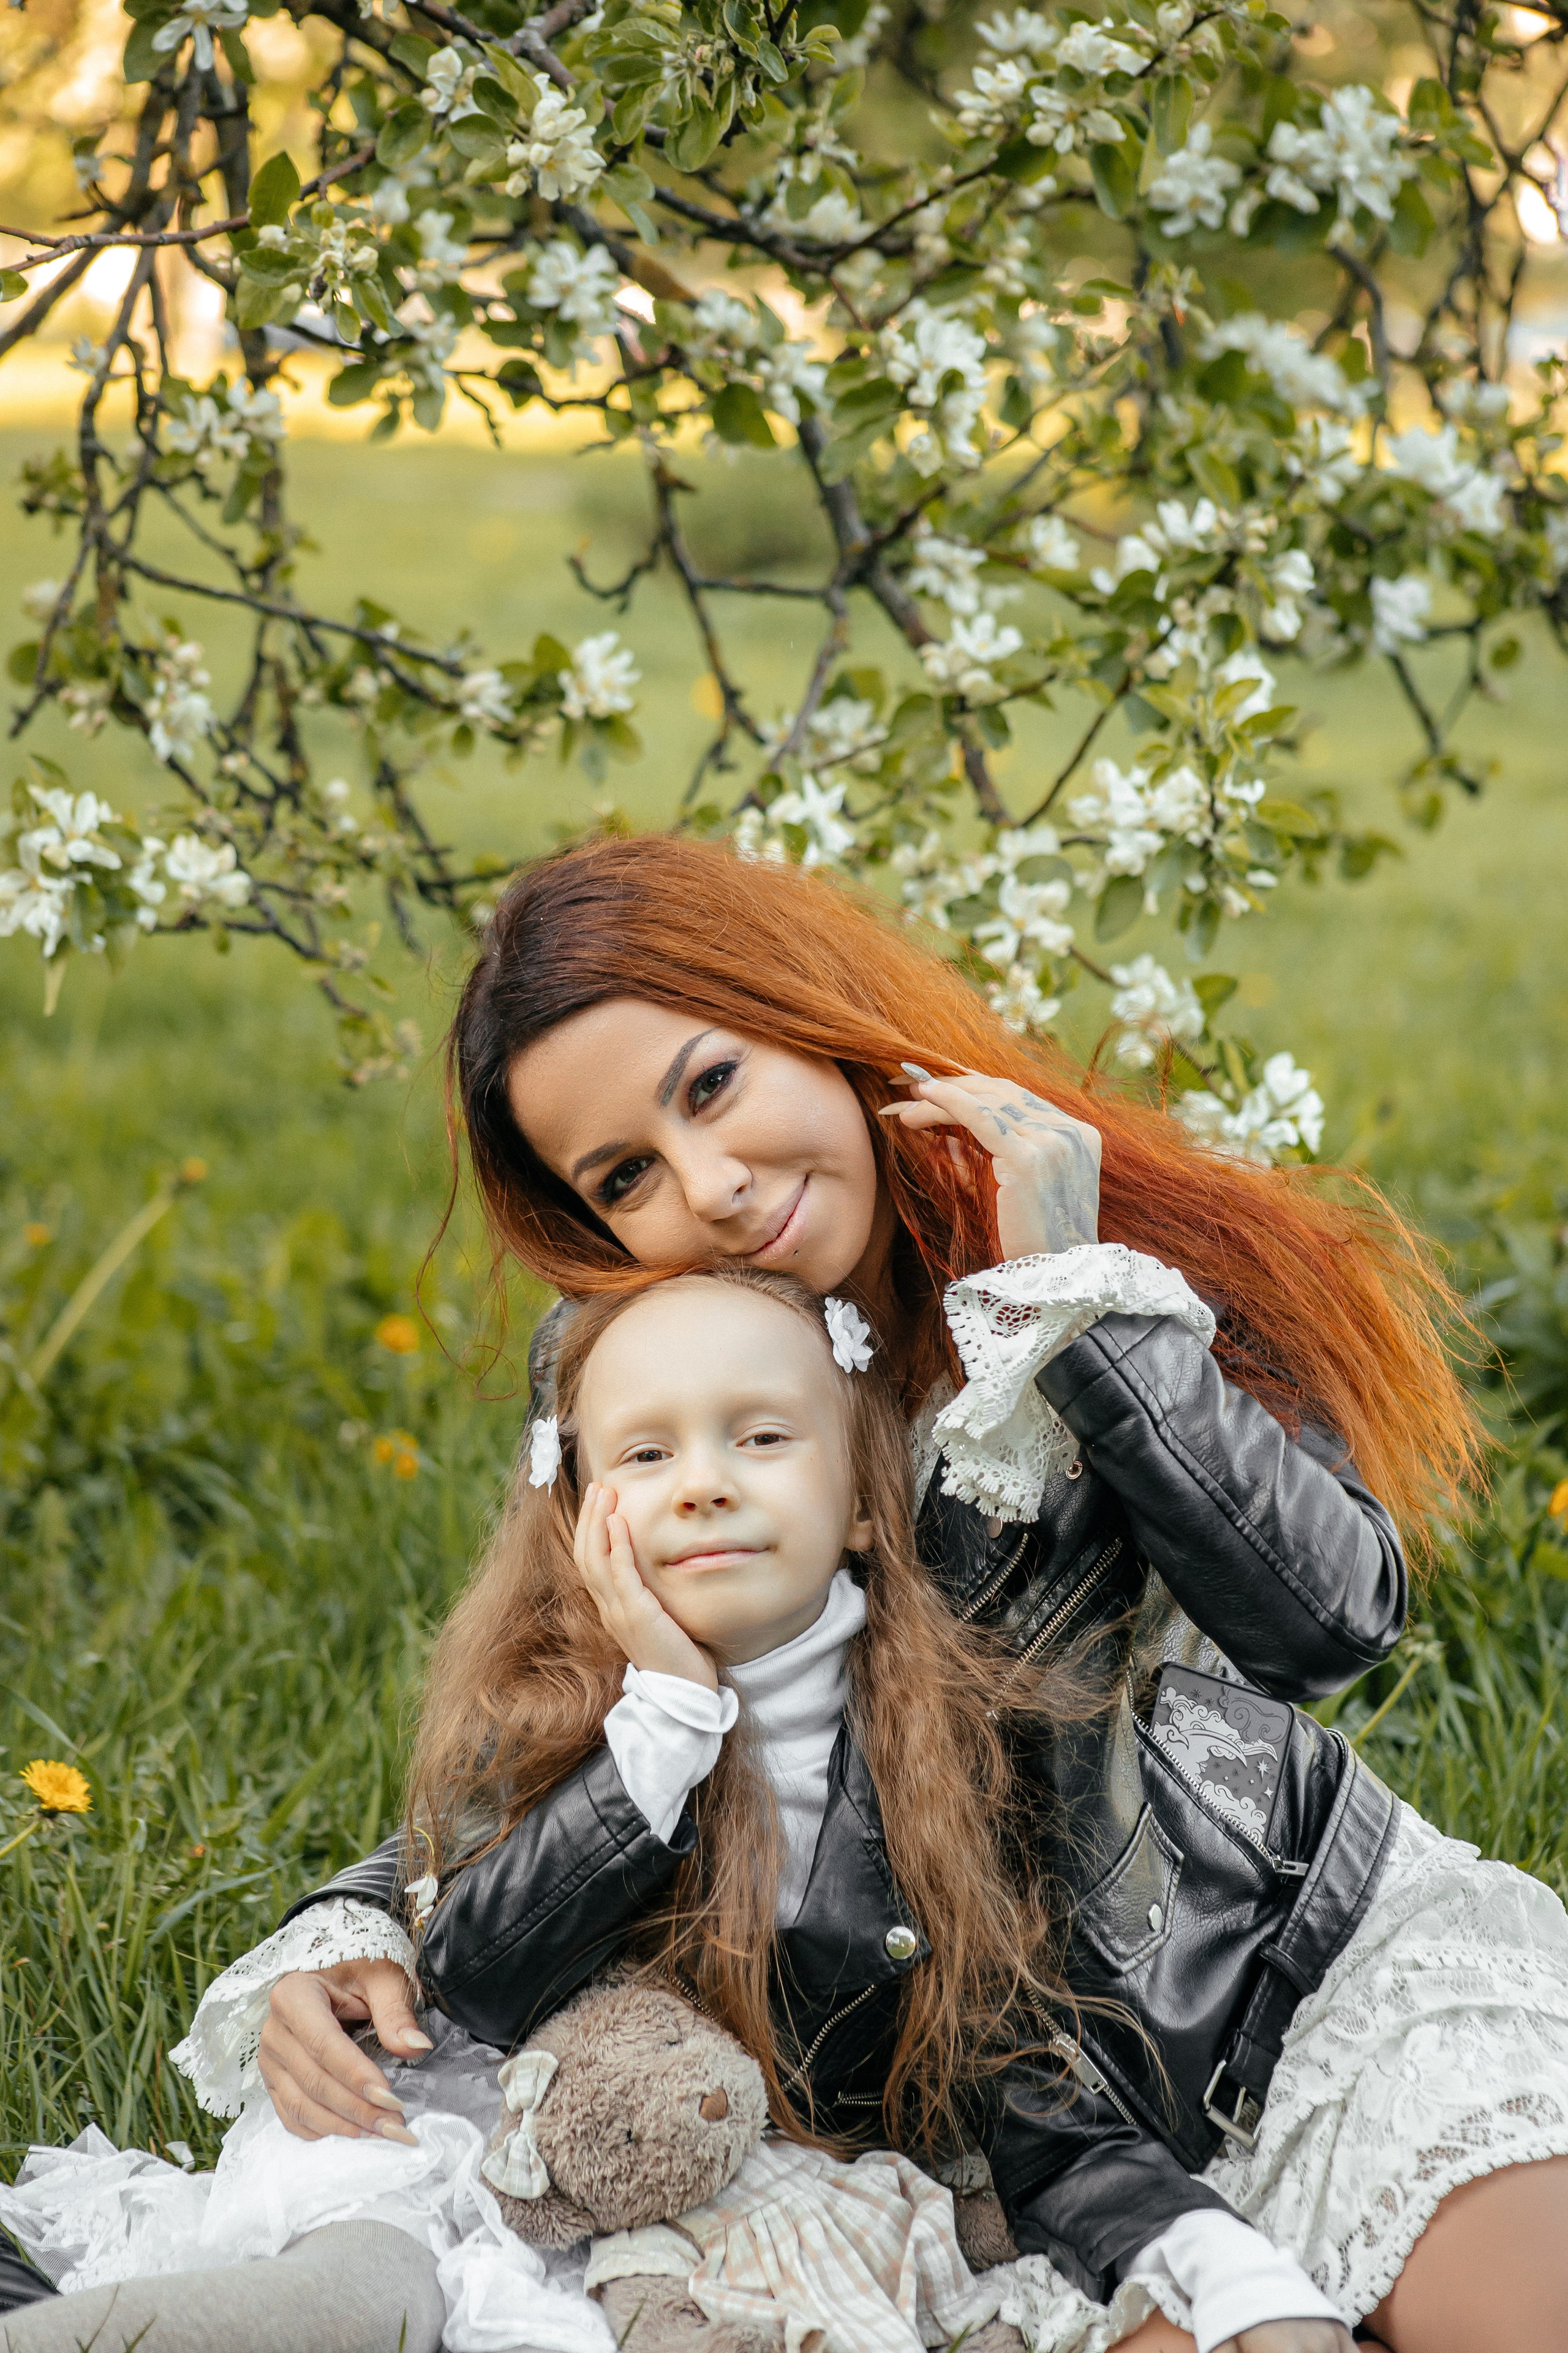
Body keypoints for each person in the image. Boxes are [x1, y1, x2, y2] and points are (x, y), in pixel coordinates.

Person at [1, 1264, 1219, 2352]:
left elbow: (1002, 2044)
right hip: (495, 2130)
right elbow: (477, 1973)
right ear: (581, 1514)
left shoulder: (940, 1728)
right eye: (644, 1456)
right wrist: (669, 1712)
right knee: (367, 2302)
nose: (703, 1485)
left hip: (720, 2182)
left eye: (761, 1437)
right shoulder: (562, 1708)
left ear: (863, 1498)